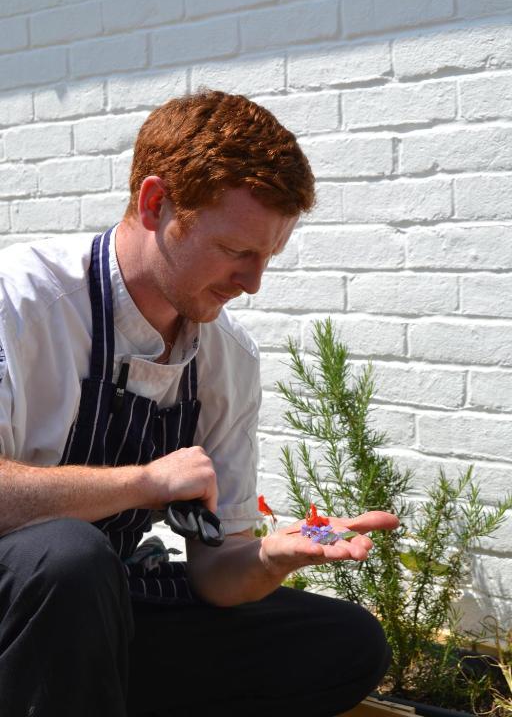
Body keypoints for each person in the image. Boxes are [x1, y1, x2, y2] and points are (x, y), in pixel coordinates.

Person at [0, 90, 398, 717]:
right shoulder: (22, 302)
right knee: (70, 559)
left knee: (347, 644)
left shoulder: (227, 356)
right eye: (238, 251)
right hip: (22, 608)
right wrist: (146, 482)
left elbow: (217, 573)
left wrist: (268, 557)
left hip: (100, 618)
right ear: (156, 204)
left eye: (268, 257)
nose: (253, 282)